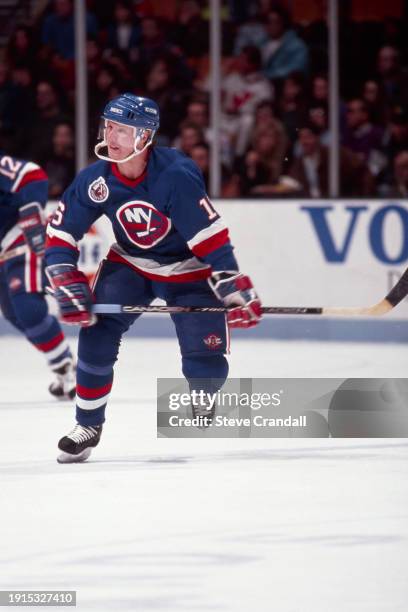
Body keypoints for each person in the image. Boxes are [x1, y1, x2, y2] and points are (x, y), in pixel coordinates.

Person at [44, 93, 262, 464]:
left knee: (203, 358)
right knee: (96, 331)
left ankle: (204, 393)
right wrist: (63, 273)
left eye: (123, 130)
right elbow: (61, 233)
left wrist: (230, 283)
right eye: (109, 126)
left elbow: (208, 237)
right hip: (130, 264)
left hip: (188, 268)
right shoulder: (96, 179)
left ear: (144, 137)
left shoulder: (175, 174)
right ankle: (87, 425)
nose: (111, 136)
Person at [0, 152, 75, 398]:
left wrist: (31, 214)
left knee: (28, 309)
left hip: (19, 238)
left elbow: (32, 174)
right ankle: (65, 366)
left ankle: (71, 372)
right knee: (14, 314)